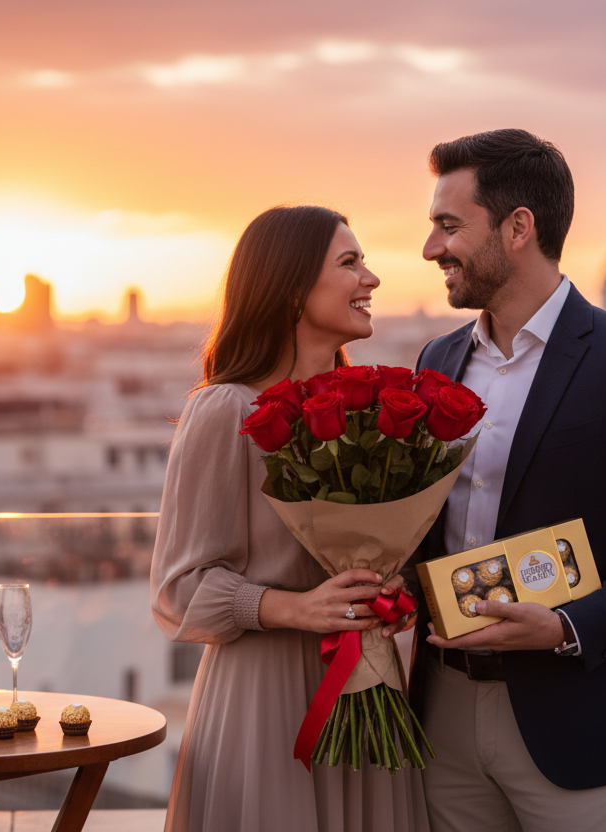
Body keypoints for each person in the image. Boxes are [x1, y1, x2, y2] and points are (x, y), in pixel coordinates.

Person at [401, 129, 606, 832]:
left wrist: (567, 627)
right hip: (443, 714)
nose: (431, 249)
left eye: (449, 226)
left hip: (579, 715)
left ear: (519, 228)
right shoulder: (437, 357)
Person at [151, 205, 429, 832]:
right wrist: (292, 609)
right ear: (292, 287)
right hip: (265, 696)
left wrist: (394, 591)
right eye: (350, 263)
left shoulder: (374, 415)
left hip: (369, 684)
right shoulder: (225, 408)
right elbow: (176, 590)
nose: (372, 279)